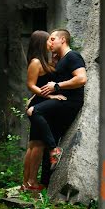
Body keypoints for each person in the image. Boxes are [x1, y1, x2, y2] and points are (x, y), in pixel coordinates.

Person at [26, 29, 87, 180]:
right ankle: (44, 185)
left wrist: (57, 86)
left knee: (34, 111)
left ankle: (54, 150)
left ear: (63, 40)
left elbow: (81, 79)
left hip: (68, 102)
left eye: (53, 39)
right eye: (48, 39)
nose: (50, 42)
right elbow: (42, 83)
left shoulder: (73, 56)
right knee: (45, 142)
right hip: (59, 101)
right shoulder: (61, 59)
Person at [22, 30, 67, 190]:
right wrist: (50, 97)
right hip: (40, 105)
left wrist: (55, 60)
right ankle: (31, 182)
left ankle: (26, 184)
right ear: (41, 43)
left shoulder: (44, 61)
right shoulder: (35, 62)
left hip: (40, 104)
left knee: (34, 144)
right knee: (37, 145)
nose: (51, 42)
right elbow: (31, 85)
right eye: (49, 40)